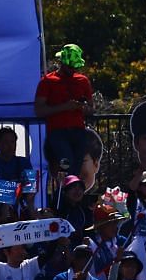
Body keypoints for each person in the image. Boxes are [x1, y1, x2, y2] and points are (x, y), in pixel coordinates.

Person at [35, 45, 101, 197]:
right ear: (61, 63)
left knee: (76, 166)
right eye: (70, 66)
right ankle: (63, 198)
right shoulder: (47, 81)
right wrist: (64, 107)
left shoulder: (83, 81)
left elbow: (91, 108)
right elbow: (39, 110)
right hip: (57, 132)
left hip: (78, 131)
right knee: (67, 165)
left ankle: (72, 199)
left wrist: (84, 108)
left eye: (75, 67)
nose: (72, 70)